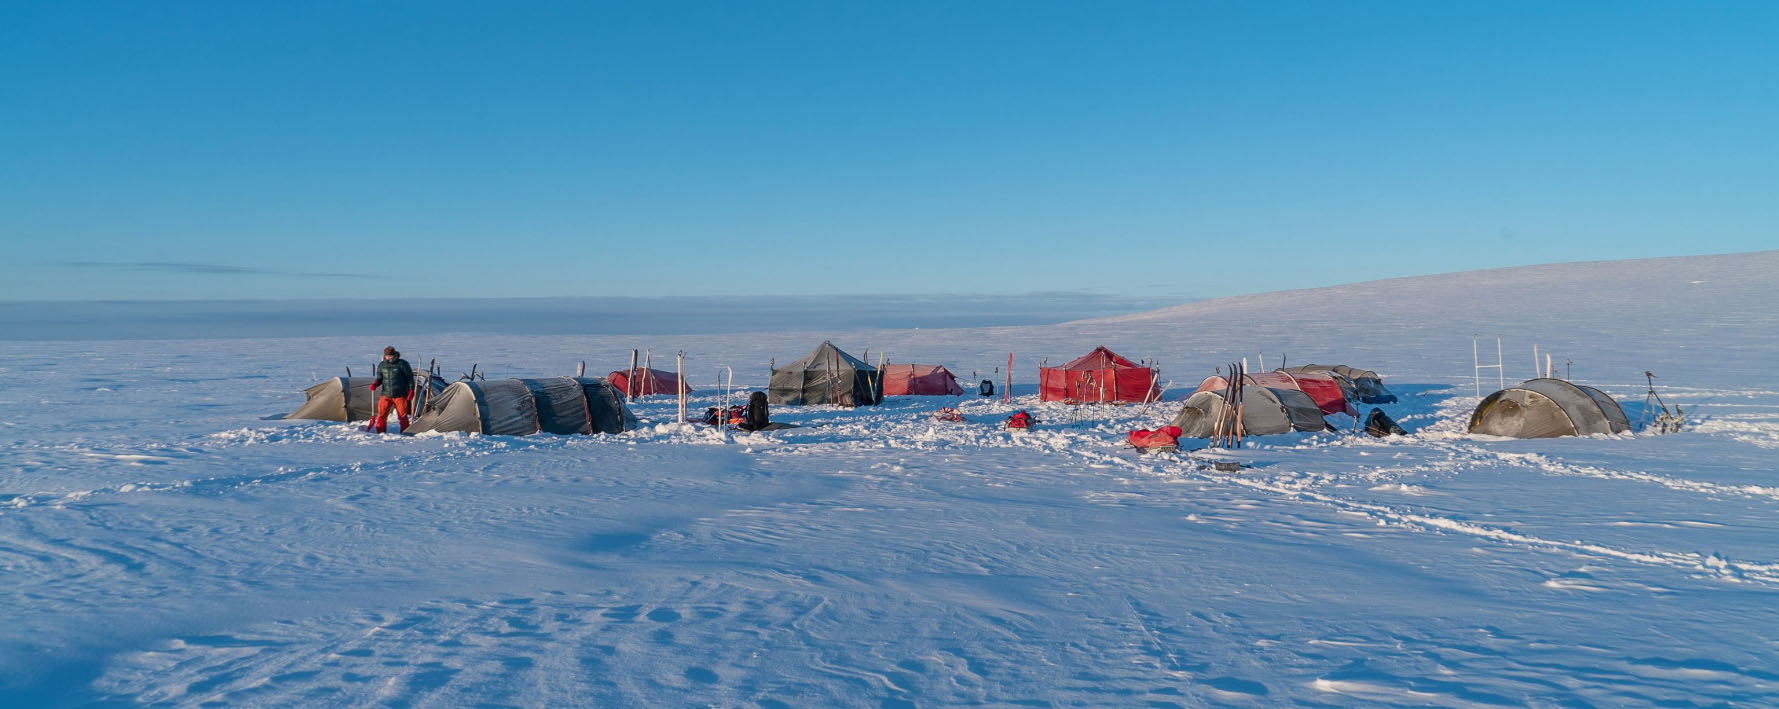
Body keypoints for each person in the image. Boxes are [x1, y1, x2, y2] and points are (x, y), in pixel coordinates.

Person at [370, 345, 414, 433]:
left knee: (403, 416)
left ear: (394, 355)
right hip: (386, 394)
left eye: (391, 355)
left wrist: (411, 390)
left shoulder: (402, 364)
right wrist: (375, 384)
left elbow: (410, 378)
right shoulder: (382, 365)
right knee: (381, 415)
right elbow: (379, 378)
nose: (389, 357)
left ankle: (405, 433)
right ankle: (380, 432)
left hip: (400, 394)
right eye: (387, 356)